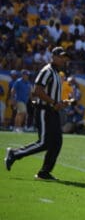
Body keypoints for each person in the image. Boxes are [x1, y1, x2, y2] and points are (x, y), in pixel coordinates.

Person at [4, 46, 71, 180]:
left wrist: (61, 102)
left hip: (52, 111)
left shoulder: (57, 73)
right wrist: (53, 102)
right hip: (44, 111)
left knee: (57, 142)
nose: (63, 59)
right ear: (53, 57)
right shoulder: (47, 71)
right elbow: (37, 91)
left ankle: (44, 172)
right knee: (45, 143)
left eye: (64, 57)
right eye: (61, 56)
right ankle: (14, 154)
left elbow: (49, 94)